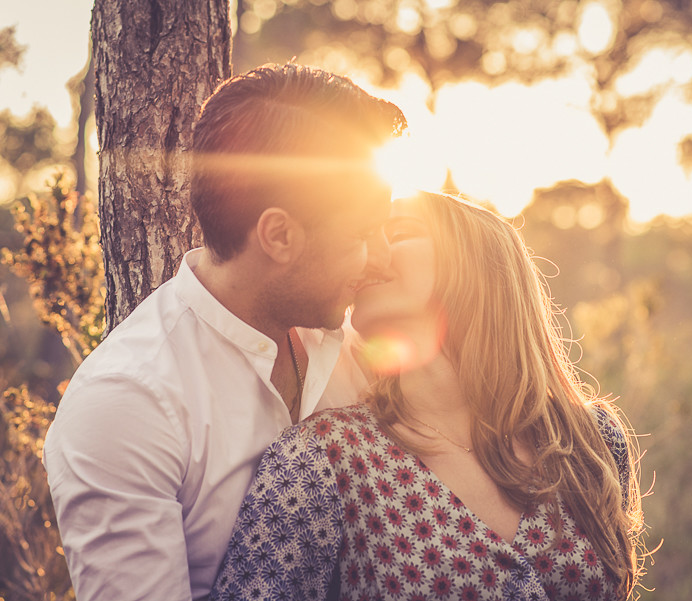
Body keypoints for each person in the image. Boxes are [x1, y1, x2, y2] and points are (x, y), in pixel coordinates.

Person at [42, 63, 407, 600]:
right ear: (279, 235)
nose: (383, 258)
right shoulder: (127, 404)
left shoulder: (358, 341)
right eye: (361, 234)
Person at [210, 192, 645, 601]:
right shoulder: (323, 459)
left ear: (475, 264)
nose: (371, 254)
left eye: (397, 233)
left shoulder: (592, 440)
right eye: (364, 237)